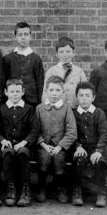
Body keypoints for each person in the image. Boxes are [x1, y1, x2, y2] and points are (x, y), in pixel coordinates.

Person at [0, 79, 38, 207]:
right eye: (12, 91)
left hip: (23, 144)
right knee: (7, 153)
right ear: (6, 92)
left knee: (23, 153)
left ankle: (25, 189)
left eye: (18, 91)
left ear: (23, 92)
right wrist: (3, 140)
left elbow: (34, 130)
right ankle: (11, 188)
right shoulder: (1, 110)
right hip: (7, 144)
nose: (15, 94)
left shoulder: (29, 109)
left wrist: (24, 142)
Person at [35, 75, 77, 203]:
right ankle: (41, 188)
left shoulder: (67, 109)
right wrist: (43, 144)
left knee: (59, 158)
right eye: (51, 90)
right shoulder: (39, 108)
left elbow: (72, 132)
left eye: (58, 90)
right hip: (44, 146)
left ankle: (61, 188)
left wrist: (60, 146)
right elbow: (34, 131)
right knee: (45, 157)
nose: (54, 94)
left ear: (63, 92)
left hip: (61, 147)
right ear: (46, 91)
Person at [71, 82, 107, 207]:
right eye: (81, 95)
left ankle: (101, 193)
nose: (84, 98)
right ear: (76, 97)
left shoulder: (99, 113)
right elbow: (71, 133)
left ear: (93, 97)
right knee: (79, 160)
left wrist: (98, 150)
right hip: (81, 147)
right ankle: (77, 192)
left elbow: (104, 134)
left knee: (99, 161)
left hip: (96, 147)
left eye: (87, 95)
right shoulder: (73, 113)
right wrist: (78, 146)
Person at [3, 21, 44, 107]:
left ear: (30, 37)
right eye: (20, 35)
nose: (23, 37)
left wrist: (40, 102)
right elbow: (4, 81)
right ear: (15, 37)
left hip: (32, 102)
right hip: (12, 101)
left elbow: (40, 82)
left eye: (26, 34)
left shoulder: (36, 58)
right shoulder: (8, 59)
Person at [43, 37, 87, 108]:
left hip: (75, 110)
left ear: (73, 53)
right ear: (57, 54)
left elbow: (85, 91)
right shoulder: (51, 71)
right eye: (61, 52)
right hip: (56, 110)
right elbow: (45, 94)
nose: (65, 55)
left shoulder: (79, 72)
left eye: (68, 51)